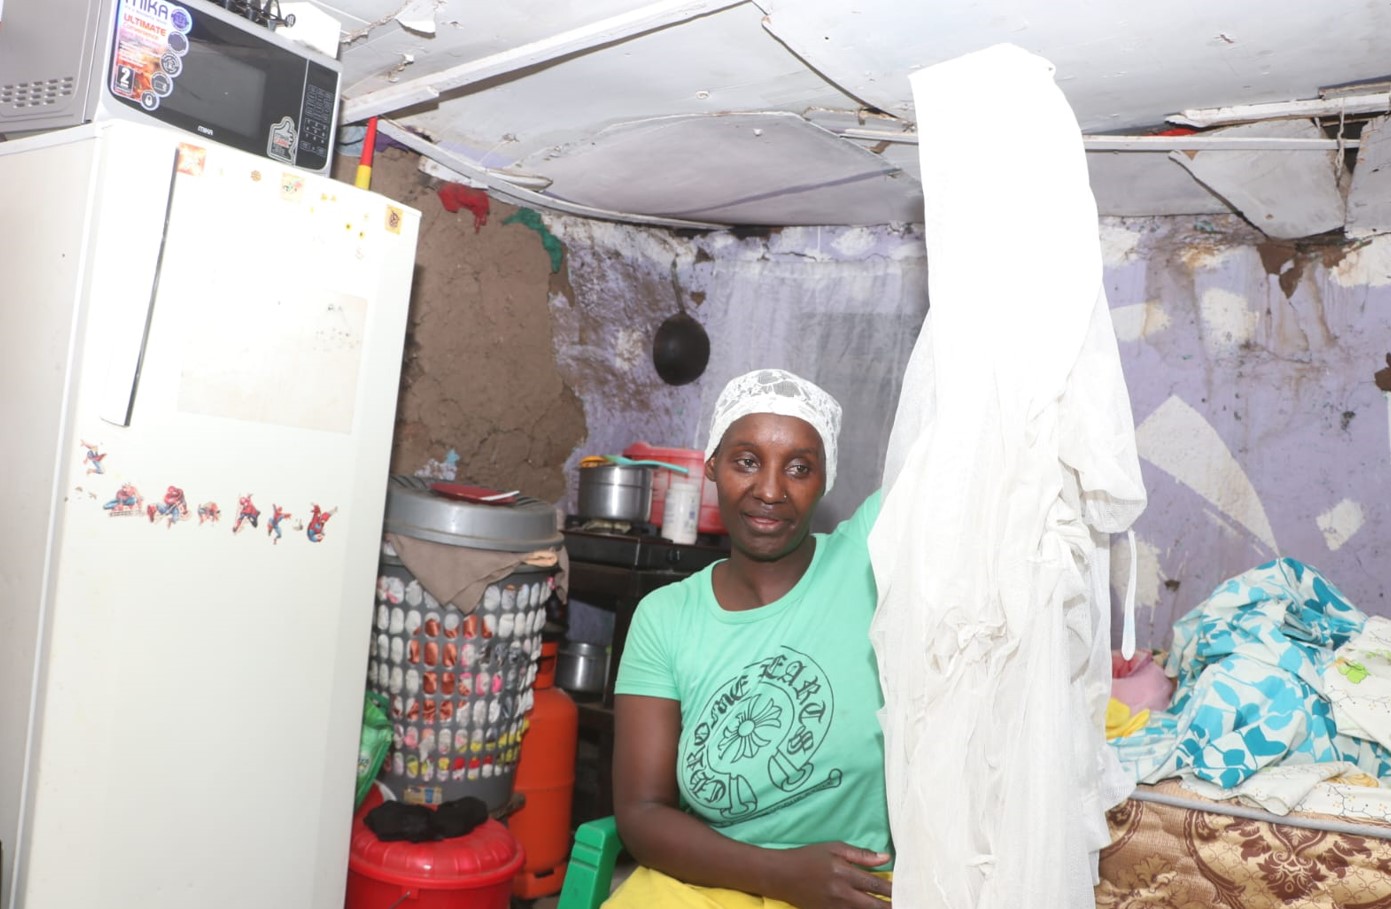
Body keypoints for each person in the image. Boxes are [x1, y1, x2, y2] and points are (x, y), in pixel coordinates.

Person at [606, 368, 893, 909]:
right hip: (704, 884)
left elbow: (974, 440)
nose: (769, 490)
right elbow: (642, 813)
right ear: (712, 465)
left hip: (859, 892)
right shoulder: (666, 617)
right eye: (746, 461)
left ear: (825, 480)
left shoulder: (868, 559)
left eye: (800, 468)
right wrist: (781, 875)